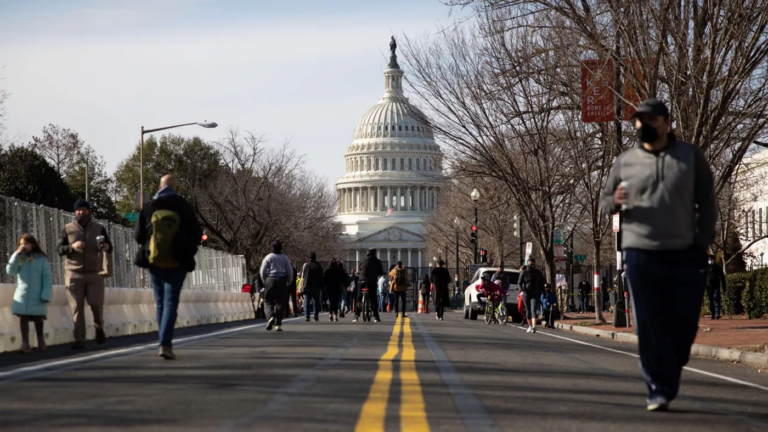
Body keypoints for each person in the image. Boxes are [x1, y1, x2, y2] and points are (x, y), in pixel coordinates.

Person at [601, 98, 716, 412]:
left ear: (666, 123)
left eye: (650, 119)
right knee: (649, 324)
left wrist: (702, 241)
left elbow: (707, 202)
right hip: (640, 252)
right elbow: (605, 202)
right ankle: (658, 388)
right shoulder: (625, 161)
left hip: (685, 252)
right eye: (639, 120)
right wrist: (615, 200)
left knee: (684, 325)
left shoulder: (690, 156)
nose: (643, 125)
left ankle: (670, 370)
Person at [134, 175, 202, 359]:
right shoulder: (183, 206)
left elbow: (138, 235)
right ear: (176, 188)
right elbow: (196, 234)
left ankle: (162, 340)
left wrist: (151, 244)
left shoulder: (149, 207)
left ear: (159, 187)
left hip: (154, 260)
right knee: (171, 302)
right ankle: (165, 343)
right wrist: (187, 250)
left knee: (160, 303)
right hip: (178, 261)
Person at [58, 199, 112, 350]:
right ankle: (79, 338)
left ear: (89, 211)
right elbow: (59, 249)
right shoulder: (67, 229)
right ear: (75, 212)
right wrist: (72, 246)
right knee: (77, 307)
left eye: (83, 210)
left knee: (95, 303)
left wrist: (106, 246)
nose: (81, 212)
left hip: (95, 273)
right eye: (78, 210)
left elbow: (110, 247)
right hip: (73, 273)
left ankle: (98, 326)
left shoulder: (99, 228)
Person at [6, 234, 52, 353]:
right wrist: (16, 254)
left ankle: (40, 340)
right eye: (21, 244)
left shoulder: (41, 260)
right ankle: (25, 343)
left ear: (33, 245)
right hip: (23, 294)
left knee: (38, 318)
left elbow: (47, 278)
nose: (24, 246)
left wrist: (46, 294)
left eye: (26, 244)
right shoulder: (20, 258)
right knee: (23, 317)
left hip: (37, 294)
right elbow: (10, 270)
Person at [260, 239, 293, 332]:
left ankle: (270, 317)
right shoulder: (284, 258)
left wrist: (265, 280)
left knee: (268, 301)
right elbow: (290, 271)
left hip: (270, 280)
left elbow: (262, 271)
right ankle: (278, 323)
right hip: (282, 280)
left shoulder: (268, 257)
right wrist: (289, 282)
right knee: (280, 302)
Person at [355, 248, 384, 323]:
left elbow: (359, 269)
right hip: (372, 281)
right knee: (373, 299)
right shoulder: (377, 261)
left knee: (359, 298)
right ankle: (376, 317)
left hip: (362, 280)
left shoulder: (362, 260)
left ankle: (356, 315)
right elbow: (380, 271)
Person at [519, 258, 545, 333]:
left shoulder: (538, 272)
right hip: (526, 293)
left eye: (532, 262)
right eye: (529, 262)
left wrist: (544, 294)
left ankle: (534, 326)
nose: (531, 264)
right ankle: (530, 326)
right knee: (528, 310)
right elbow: (519, 282)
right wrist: (521, 290)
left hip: (535, 293)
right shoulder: (524, 272)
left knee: (534, 309)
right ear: (527, 263)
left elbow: (542, 283)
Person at [299, 253, 324, 322]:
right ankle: (315, 316)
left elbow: (301, 275)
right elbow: (321, 276)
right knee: (315, 301)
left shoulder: (305, 265)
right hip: (316, 285)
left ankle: (307, 316)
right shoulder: (318, 265)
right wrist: (321, 285)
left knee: (307, 300)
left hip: (307, 284)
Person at [706, 255, 726, 320]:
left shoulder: (718, 267)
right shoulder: (706, 267)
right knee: (711, 300)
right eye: (709, 259)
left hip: (716, 285)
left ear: (714, 260)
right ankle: (712, 314)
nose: (710, 261)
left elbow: (722, 278)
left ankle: (717, 313)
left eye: (711, 259)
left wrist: (724, 287)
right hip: (708, 286)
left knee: (716, 298)